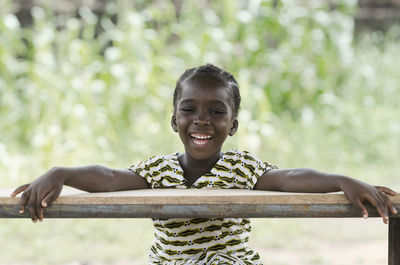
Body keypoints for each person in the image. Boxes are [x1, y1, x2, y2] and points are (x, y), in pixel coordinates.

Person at [11, 64, 398, 265]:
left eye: (216, 111)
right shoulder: (158, 170)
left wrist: (344, 180)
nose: (202, 120)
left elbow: (291, 178)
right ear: (173, 119)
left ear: (233, 125)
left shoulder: (241, 168)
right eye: (189, 110)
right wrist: (59, 172)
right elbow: (110, 178)